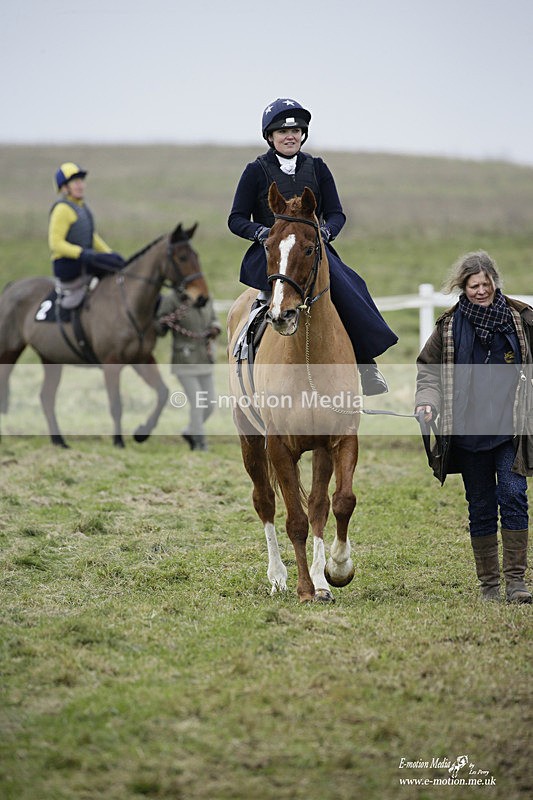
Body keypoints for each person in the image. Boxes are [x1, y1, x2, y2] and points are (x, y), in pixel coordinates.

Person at [227, 98, 398, 396]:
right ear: (270, 137)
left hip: (312, 251)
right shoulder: (255, 170)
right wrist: (262, 234)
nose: (290, 136)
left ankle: (366, 366)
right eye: (282, 131)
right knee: (263, 305)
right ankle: (247, 360)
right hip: (273, 254)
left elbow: (336, 213)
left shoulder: (318, 168)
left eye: (296, 131)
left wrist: (327, 232)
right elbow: (236, 218)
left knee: (350, 289)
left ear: (303, 135)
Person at [415, 250, 533, 603]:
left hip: (511, 430)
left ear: (494, 282)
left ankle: (516, 583)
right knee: (480, 506)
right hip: (467, 434)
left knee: (513, 496)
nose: (480, 291)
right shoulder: (449, 327)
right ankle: (489, 587)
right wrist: (427, 402)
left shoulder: (521, 319)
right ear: (463, 288)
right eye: (473, 286)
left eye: (485, 284)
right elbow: (428, 372)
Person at [155, 289, 221, 451]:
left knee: (210, 404)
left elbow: (214, 319)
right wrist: (166, 322)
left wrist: (215, 328)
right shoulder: (172, 299)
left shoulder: (205, 295)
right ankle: (199, 443)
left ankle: (190, 430)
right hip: (184, 360)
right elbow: (159, 327)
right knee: (197, 403)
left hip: (204, 358)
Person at [49, 162, 125, 287]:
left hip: (82, 259)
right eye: (75, 182)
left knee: (117, 261)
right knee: (109, 265)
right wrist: (82, 253)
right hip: (67, 264)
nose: (81, 186)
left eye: (81, 181)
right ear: (64, 188)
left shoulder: (82, 207)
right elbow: (56, 244)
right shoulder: (62, 209)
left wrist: (109, 253)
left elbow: (91, 237)